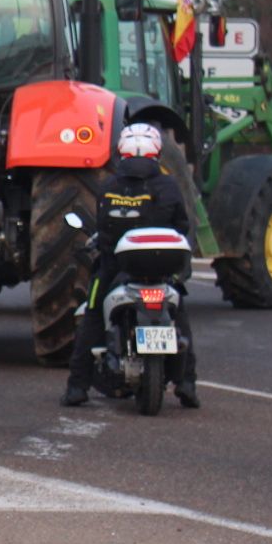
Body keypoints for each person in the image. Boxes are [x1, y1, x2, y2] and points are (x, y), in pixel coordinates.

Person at [63, 122, 199, 408]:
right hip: (162, 270)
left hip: (116, 267)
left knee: (93, 312)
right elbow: (182, 226)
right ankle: (187, 383)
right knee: (180, 314)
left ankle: (77, 386)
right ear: (157, 152)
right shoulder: (169, 185)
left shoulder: (110, 185)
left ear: (122, 151)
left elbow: (103, 228)